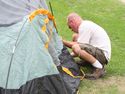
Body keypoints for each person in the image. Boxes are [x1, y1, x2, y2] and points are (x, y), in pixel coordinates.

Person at [63, 12, 111, 80]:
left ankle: (99, 68)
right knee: (75, 36)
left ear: (72, 22)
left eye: (70, 27)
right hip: (100, 52)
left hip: (102, 55)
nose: (71, 29)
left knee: (75, 47)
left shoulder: (84, 26)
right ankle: (88, 62)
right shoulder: (85, 24)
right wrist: (69, 56)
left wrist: (62, 41)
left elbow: (78, 46)